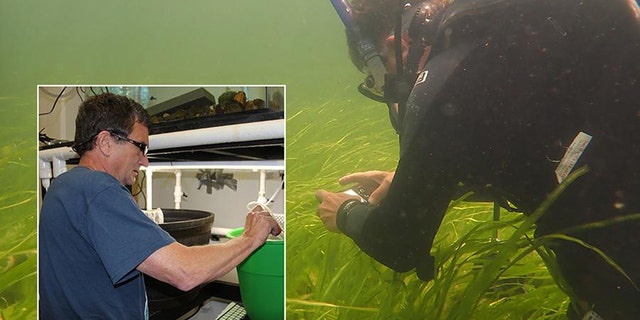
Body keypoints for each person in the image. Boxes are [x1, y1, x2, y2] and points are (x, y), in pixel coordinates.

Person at [316, 0, 640, 319]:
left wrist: (344, 212)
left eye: (382, 74)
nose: (396, 90)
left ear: (397, 45)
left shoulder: (445, 77)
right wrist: (402, 180)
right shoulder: (503, 34)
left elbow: (400, 242)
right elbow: (533, 157)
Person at [38, 93, 281, 319]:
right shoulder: (98, 189)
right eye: (140, 147)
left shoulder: (62, 186)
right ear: (105, 142)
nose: (144, 161)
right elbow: (186, 272)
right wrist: (250, 237)